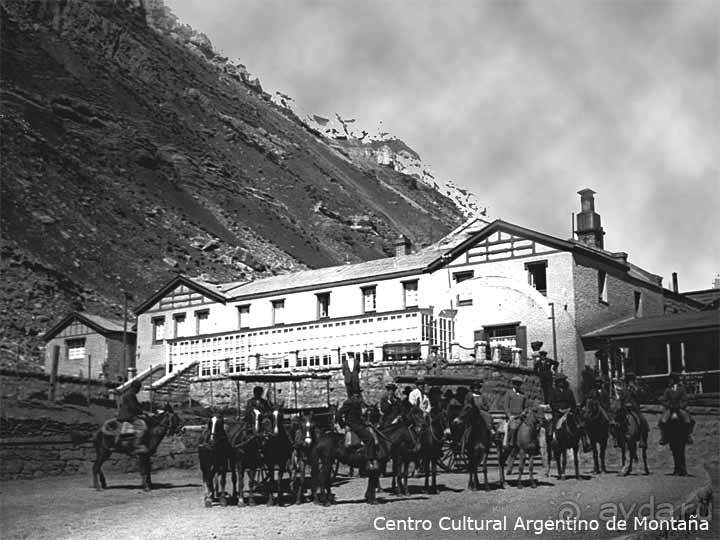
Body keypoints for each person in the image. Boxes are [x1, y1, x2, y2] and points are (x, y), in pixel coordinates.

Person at [338, 390, 377, 470]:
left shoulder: (357, 402)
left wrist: (366, 423)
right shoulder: (349, 403)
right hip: (354, 426)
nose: (358, 395)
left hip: (358, 424)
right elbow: (339, 414)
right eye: (357, 394)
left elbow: (358, 417)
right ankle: (370, 461)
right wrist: (343, 425)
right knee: (369, 438)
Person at [658, 372, 694, 445]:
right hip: (670, 408)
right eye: (669, 379)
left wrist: (680, 406)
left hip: (679, 408)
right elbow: (664, 399)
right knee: (662, 421)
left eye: (671, 379)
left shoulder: (682, 389)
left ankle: (688, 435)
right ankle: (664, 436)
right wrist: (668, 405)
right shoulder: (668, 389)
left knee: (688, 420)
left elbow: (685, 399)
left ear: (674, 380)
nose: (669, 381)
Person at [117, 380, 147, 454]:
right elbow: (133, 407)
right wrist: (143, 412)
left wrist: (143, 409)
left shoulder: (130, 394)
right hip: (127, 415)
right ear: (135, 388)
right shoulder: (130, 395)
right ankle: (136, 445)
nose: (139, 390)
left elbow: (136, 406)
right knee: (143, 426)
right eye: (138, 389)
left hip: (129, 414)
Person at [502, 376, 528, 448]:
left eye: (519, 384)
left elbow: (526, 407)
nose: (517, 386)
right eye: (516, 384)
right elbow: (506, 406)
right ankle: (511, 443)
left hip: (521, 416)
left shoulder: (523, 395)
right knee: (513, 427)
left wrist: (524, 412)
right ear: (513, 384)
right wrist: (509, 415)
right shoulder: (509, 393)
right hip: (512, 417)